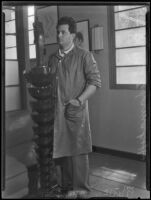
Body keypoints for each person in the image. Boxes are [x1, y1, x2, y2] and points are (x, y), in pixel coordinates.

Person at [48, 16, 101, 198]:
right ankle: (66, 187)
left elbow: (94, 83)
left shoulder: (84, 56)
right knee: (61, 149)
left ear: (72, 34)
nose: (59, 35)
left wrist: (79, 100)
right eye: (58, 32)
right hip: (57, 111)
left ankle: (81, 190)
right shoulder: (53, 58)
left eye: (63, 32)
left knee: (78, 150)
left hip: (75, 109)